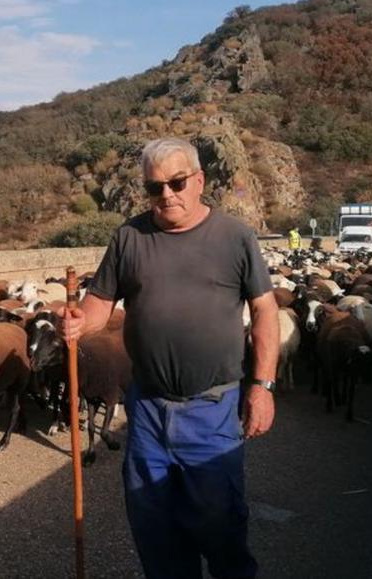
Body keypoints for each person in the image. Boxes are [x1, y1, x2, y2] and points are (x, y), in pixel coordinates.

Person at [61, 137, 279, 579]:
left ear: (198, 181)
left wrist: (262, 387)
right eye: (154, 187)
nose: (167, 195)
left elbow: (264, 310)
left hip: (213, 410)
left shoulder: (235, 237)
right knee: (153, 526)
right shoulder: (129, 237)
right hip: (147, 410)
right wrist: (79, 323)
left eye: (176, 183)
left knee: (221, 527)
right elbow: (100, 305)